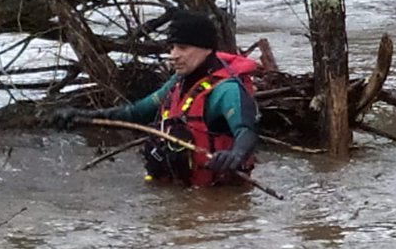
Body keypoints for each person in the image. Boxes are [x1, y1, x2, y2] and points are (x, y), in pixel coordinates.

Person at [52, 10, 260, 187]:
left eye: (183, 48)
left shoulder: (227, 90)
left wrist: (235, 155)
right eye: (172, 47)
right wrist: (83, 117)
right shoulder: (178, 83)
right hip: (175, 193)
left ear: (207, 49)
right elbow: (135, 114)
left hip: (217, 199)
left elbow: (246, 131)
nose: (174, 55)